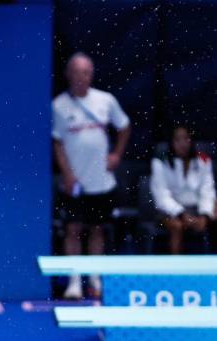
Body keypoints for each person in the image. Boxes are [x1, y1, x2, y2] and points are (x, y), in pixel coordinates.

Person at [52, 52, 132, 299]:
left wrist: (117, 154)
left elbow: (124, 126)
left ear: (92, 75)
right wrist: (67, 175)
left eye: (86, 72)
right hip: (75, 182)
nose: (81, 77)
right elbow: (57, 143)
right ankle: (74, 282)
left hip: (102, 182)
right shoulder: (58, 106)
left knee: (97, 229)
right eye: (76, 72)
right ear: (68, 75)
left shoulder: (105, 100)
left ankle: (94, 280)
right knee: (73, 229)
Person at [151, 126, 215, 254]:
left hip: (196, 209)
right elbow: (162, 197)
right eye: (177, 139)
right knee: (177, 226)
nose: (182, 144)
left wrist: (204, 216)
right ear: (171, 142)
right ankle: (176, 268)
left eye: (186, 138)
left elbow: (207, 191)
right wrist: (181, 214)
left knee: (214, 213)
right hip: (169, 211)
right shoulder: (160, 162)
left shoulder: (203, 160)